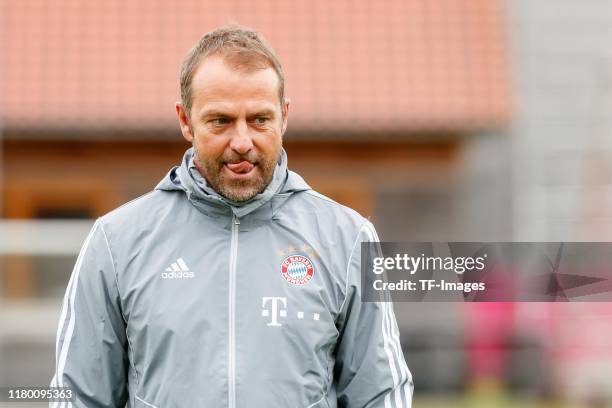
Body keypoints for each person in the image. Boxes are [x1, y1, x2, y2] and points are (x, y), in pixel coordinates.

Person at [50, 24, 413, 408]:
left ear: (284, 117)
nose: (242, 142)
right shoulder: (115, 242)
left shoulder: (349, 238)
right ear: (186, 121)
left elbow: (381, 394)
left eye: (259, 119)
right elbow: (77, 396)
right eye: (221, 121)